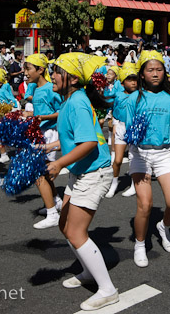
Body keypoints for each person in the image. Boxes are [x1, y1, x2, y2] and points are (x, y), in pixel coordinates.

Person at [47, 53, 119, 311]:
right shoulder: (71, 100)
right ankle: (90, 270)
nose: (52, 75)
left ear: (73, 78)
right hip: (81, 171)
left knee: (76, 232)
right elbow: (80, 135)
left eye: (56, 71)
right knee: (64, 225)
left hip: (93, 173)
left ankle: (108, 290)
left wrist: (59, 163)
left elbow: (88, 143)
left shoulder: (77, 101)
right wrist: (52, 145)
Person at [124, 50, 170, 268]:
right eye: (150, 70)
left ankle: (163, 226)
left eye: (159, 69)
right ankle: (140, 244)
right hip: (140, 154)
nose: (155, 73)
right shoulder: (133, 99)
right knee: (145, 204)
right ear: (141, 74)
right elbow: (129, 130)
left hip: (163, 154)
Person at [22, 54, 64, 230]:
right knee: (43, 172)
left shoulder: (50, 89)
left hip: (50, 133)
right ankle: (55, 202)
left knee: (38, 172)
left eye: (28, 68)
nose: (25, 73)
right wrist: (29, 116)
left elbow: (61, 112)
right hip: (40, 132)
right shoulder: (34, 89)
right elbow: (39, 111)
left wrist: (41, 117)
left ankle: (52, 213)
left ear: (40, 70)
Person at [106, 65, 138, 198]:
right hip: (121, 127)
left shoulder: (139, 95)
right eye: (129, 80)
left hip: (136, 128)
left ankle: (133, 184)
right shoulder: (118, 95)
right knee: (117, 160)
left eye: (135, 80)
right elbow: (115, 110)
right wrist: (113, 124)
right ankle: (114, 183)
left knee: (133, 159)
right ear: (123, 82)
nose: (133, 83)